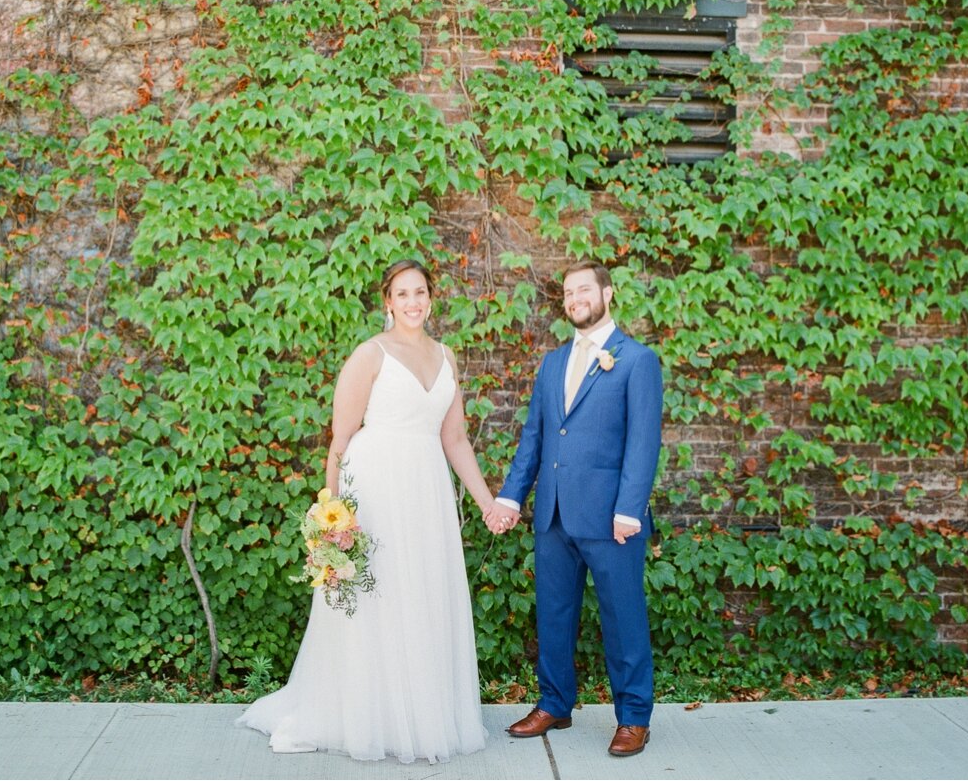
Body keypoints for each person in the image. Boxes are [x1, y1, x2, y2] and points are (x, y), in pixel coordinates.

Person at [238, 259, 494, 763]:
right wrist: (331, 521)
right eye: (402, 294)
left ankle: (420, 716)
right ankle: (366, 715)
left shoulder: (447, 357)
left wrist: (487, 503)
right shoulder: (369, 355)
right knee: (376, 596)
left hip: (425, 492)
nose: (413, 302)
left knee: (420, 593)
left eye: (420, 292)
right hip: (374, 487)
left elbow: (456, 439)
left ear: (431, 298)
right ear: (387, 302)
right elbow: (340, 440)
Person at [484, 260, 664, 757]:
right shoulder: (552, 363)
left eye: (584, 289)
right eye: (567, 291)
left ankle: (633, 717)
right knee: (554, 615)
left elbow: (643, 442)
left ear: (608, 294)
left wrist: (630, 507)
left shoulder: (636, 360)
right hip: (554, 516)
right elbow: (536, 438)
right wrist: (510, 497)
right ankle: (555, 703)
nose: (574, 298)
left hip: (612, 520)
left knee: (623, 617)